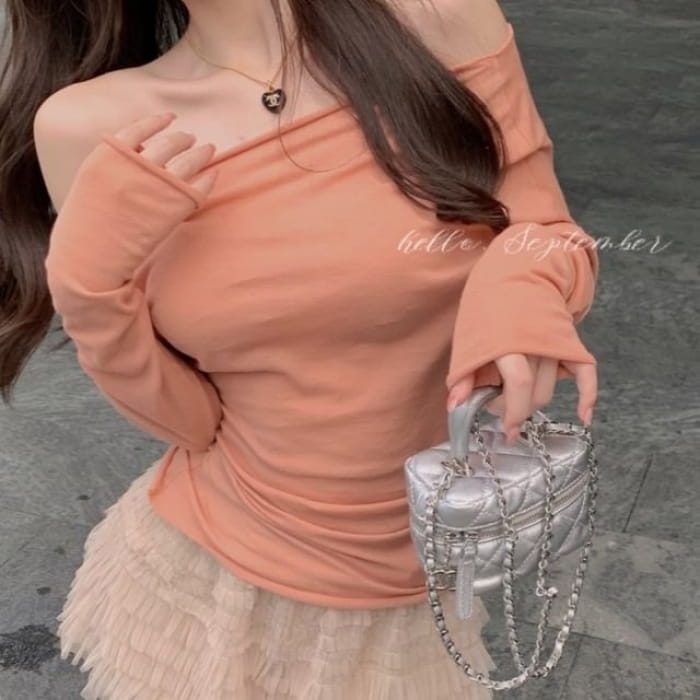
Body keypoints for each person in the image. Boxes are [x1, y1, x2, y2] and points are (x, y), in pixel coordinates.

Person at [0, 0, 599, 697]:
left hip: (413, 576)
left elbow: (543, 229)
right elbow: (192, 425)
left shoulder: (443, 19)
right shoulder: (88, 124)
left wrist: (519, 284)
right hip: (210, 577)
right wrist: (88, 290)